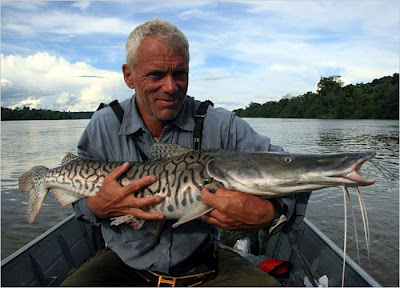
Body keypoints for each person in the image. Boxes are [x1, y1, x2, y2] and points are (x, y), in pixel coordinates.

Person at [61, 19, 308, 287]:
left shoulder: (220, 124)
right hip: (126, 264)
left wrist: (270, 212)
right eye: (156, 74)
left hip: (204, 263)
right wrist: (97, 206)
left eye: (180, 74)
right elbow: (80, 206)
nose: (171, 87)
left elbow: (280, 165)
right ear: (128, 76)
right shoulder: (104, 125)